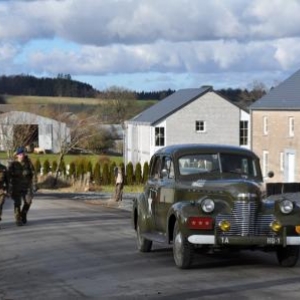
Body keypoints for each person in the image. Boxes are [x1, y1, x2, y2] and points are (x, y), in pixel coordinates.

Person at [8, 147, 37, 226]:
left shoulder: (28, 163)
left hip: (26, 186)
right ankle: (18, 219)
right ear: (17, 155)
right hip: (16, 186)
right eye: (20, 154)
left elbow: (33, 174)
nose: (22, 155)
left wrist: (35, 184)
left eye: (23, 154)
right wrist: (8, 186)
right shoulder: (13, 164)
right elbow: (8, 175)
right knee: (17, 203)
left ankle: (23, 214)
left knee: (28, 201)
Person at [0, 162, 8, 226]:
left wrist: (7, 190)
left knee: (0, 205)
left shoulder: (3, 168)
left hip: (1, 191)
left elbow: (7, 180)